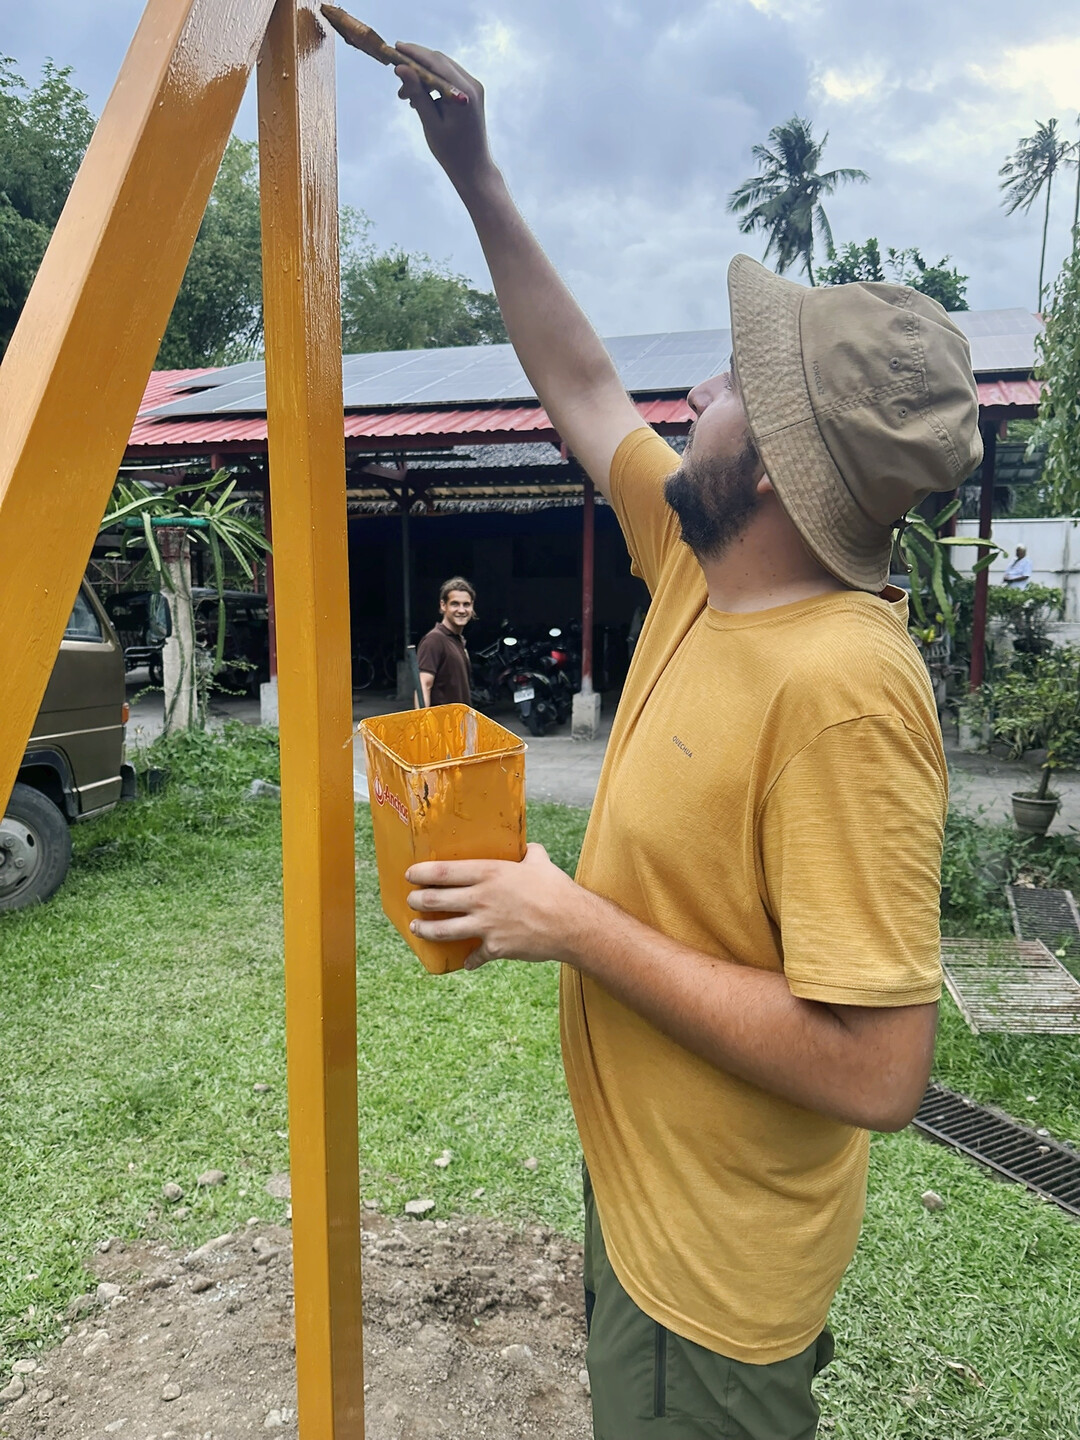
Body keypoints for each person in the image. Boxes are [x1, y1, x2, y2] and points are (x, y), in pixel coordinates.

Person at [386, 46, 982, 1440]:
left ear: (770, 463)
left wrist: (574, 923)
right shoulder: (703, 557)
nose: (697, 391)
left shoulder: (846, 687)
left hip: (711, 1283)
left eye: (728, 387)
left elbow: (883, 1069)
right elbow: (584, 385)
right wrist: (475, 174)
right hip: (649, 1190)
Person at [415, 577, 475, 706]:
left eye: (466, 604)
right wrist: (423, 724)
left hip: (460, 725)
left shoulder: (458, 641)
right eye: (455, 604)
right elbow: (423, 686)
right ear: (443, 605)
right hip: (441, 725)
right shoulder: (434, 640)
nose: (461, 610)